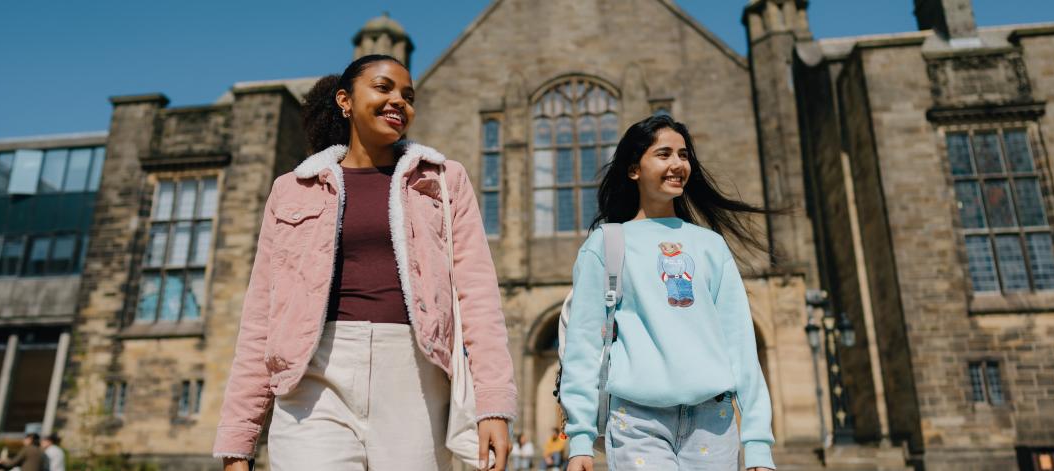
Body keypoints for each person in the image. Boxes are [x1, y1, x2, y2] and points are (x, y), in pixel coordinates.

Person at [213, 54, 517, 470]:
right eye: (383, 87)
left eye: (408, 96)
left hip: (414, 377)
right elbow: (261, 318)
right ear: (345, 100)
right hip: (314, 379)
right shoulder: (293, 189)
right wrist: (237, 442)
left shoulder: (444, 180)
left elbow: (478, 296)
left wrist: (494, 405)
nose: (399, 101)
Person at [561, 115, 776, 470]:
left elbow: (740, 345)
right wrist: (580, 439)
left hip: (713, 422)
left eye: (684, 155)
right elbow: (582, 347)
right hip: (636, 421)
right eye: (664, 154)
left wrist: (757, 443)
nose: (678, 164)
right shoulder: (606, 245)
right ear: (634, 169)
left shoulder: (711, 246)